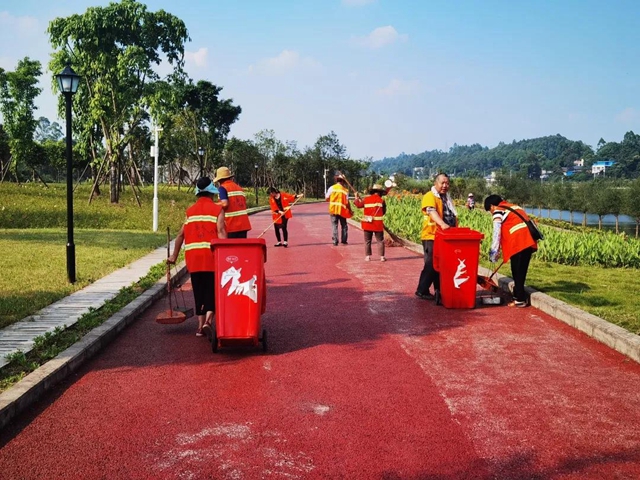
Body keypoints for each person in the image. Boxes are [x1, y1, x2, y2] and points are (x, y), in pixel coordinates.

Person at [167, 177, 227, 336]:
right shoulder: (217, 210)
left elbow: (180, 235)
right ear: (212, 194)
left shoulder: (190, 212)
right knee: (212, 291)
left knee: (199, 291)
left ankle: (200, 327)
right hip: (211, 258)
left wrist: (174, 256)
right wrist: (227, 255)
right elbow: (221, 232)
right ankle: (208, 321)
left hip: (193, 259)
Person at [484, 194, 538, 307]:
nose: (491, 213)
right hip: (529, 241)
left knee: (516, 271)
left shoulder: (498, 211)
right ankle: (519, 296)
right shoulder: (515, 207)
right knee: (521, 271)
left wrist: (494, 252)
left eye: (489, 210)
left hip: (518, 242)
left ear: (492, 206)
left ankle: (519, 300)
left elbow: (496, 232)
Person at [415, 173, 458, 300]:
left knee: (442, 264)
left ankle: (440, 290)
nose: (445, 185)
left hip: (445, 236)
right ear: (436, 183)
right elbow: (431, 211)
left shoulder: (446, 198)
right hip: (432, 235)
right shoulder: (430, 196)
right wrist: (443, 224)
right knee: (432, 264)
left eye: (447, 183)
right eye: (442, 183)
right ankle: (422, 290)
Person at [213, 166, 252, 238]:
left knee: (231, 248)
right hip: (243, 224)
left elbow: (225, 204)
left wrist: (212, 205)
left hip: (231, 224)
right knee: (241, 248)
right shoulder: (239, 188)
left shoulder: (222, 188)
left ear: (220, 180)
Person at [354, 184, 387, 262]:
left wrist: (356, 198)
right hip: (378, 224)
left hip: (367, 223)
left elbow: (358, 205)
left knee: (367, 241)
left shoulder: (366, 199)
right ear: (380, 193)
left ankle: (367, 257)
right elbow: (383, 212)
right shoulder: (382, 201)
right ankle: (382, 257)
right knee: (380, 240)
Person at [325, 174, 352, 246]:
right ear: (343, 182)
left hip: (333, 210)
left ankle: (335, 241)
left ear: (337, 180)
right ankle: (344, 240)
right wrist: (350, 210)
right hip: (342, 211)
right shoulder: (345, 190)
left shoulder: (332, 188)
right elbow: (347, 203)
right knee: (344, 225)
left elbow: (326, 198)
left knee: (334, 225)